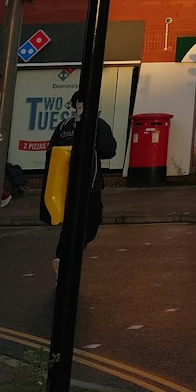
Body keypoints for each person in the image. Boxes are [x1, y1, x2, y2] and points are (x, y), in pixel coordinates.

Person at [45, 91, 117, 275]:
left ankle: (61, 256)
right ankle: (69, 256)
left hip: (65, 183)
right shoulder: (97, 124)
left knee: (71, 220)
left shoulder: (64, 125)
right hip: (89, 182)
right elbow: (109, 150)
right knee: (92, 220)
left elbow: (51, 151)